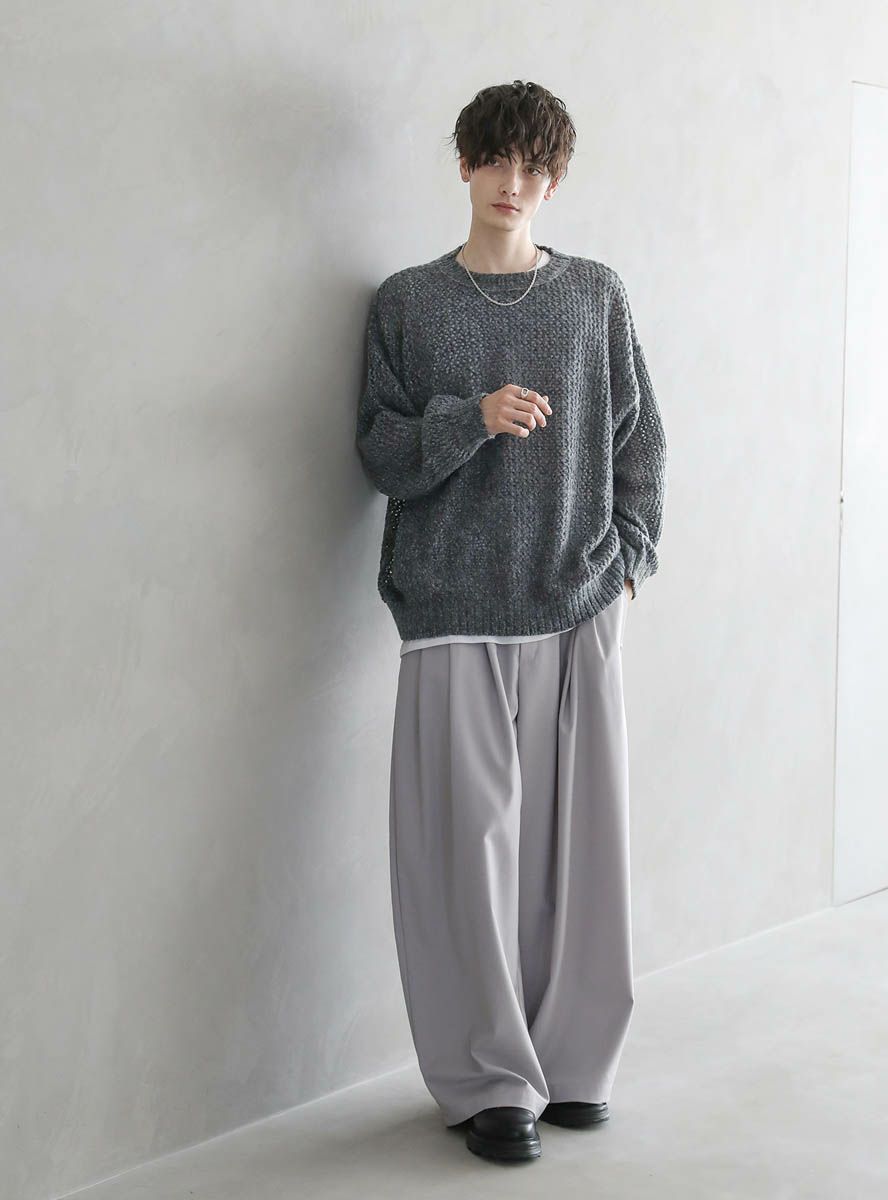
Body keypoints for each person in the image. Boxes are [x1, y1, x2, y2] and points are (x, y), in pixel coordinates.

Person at [355, 79, 667, 1164]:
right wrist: (471, 419)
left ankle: (575, 1065)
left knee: (582, 855)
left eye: (535, 167)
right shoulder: (406, 302)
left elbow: (640, 439)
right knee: (462, 856)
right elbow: (380, 451)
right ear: (465, 163)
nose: (513, 182)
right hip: (450, 608)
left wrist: (629, 559)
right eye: (496, 159)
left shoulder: (593, 295)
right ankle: (490, 1081)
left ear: (554, 179)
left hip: (575, 601)